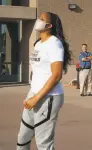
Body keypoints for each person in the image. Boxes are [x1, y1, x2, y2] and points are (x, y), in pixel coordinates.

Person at [17, 12, 72, 150]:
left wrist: (36, 98)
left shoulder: (54, 44)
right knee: (23, 138)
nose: (38, 21)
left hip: (48, 98)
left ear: (49, 25)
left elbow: (57, 74)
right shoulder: (39, 44)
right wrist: (32, 93)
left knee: (43, 144)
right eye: (38, 18)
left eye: (42, 19)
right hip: (34, 93)